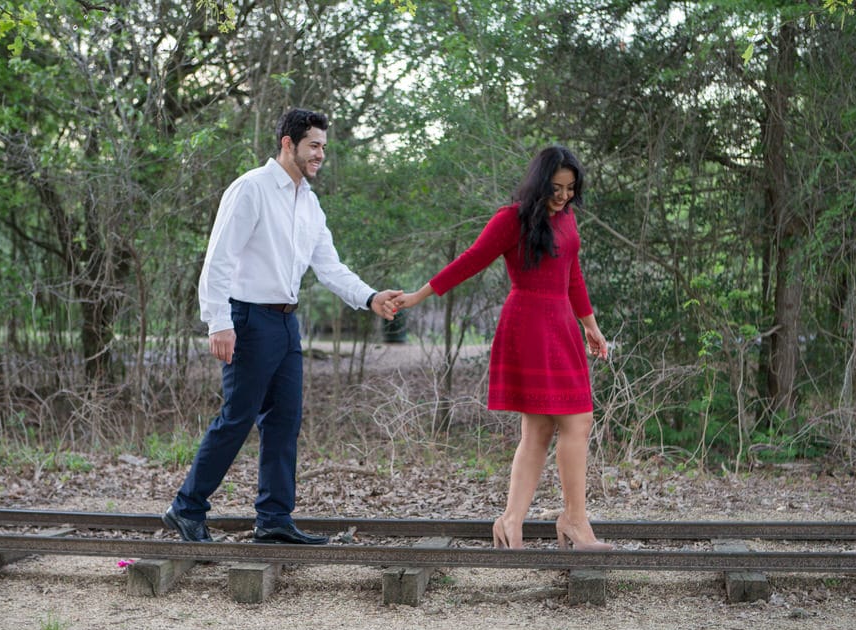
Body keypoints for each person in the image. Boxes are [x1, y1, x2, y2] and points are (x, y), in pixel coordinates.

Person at [163, 108, 401, 545]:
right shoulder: (251, 188)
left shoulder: (308, 202)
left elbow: (329, 266)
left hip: (288, 324)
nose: (321, 155)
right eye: (314, 145)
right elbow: (219, 258)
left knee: (285, 421)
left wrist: (369, 297)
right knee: (237, 418)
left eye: (324, 147)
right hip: (248, 319)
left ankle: (273, 518)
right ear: (288, 144)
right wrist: (219, 322)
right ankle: (186, 508)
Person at [390, 145, 612, 551]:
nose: (563, 197)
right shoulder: (512, 219)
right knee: (574, 422)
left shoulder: (566, 217)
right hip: (529, 324)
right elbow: (471, 260)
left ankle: (512, 521)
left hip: (562, 324)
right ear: (539, 182)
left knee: (543, 428)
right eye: (556, 188)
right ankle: (574, 521)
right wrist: (418, 296)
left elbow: (572, 274)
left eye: (570, 189)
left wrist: (591, 327)